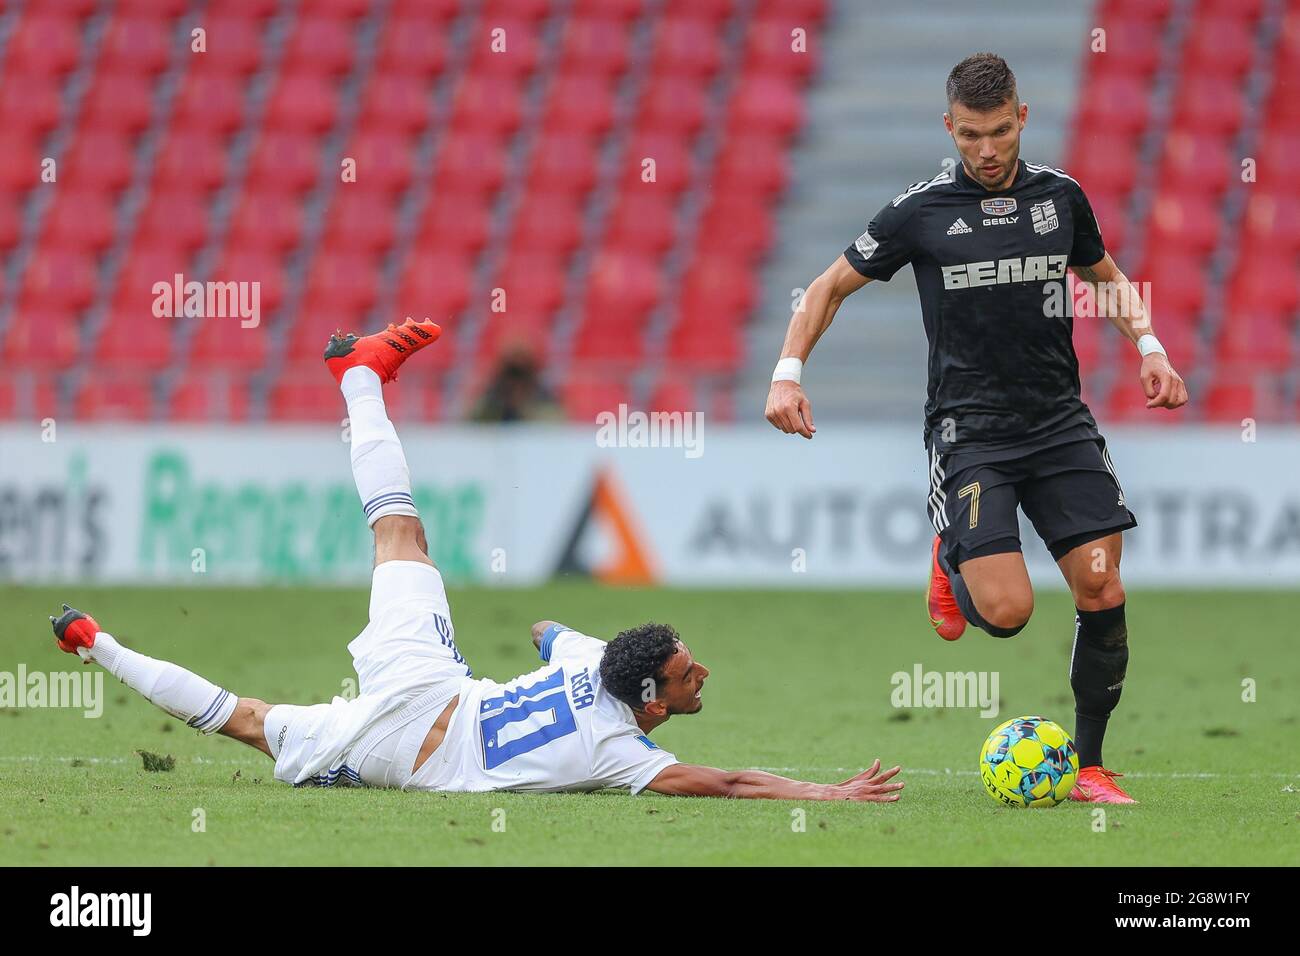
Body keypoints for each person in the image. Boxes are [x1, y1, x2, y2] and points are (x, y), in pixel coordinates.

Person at [50, 318, 904, 803]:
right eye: (685, 672)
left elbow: (544, 628)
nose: (701, 672)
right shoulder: (620, 752)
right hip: (408, 748)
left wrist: (577, 649)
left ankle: (358, 381)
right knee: (246, 719)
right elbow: (729, 782)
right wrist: (830, 794)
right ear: (650, 697)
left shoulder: (593, 669)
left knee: (399, 535)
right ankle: (92, 642)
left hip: (430, 682)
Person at [764, 53, 1189, 804]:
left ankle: (1089, 767)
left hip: (1059, 423)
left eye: (997, 132)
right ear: (948, 127)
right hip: (971, 433)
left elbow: (1107, 279)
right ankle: (950, 550)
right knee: (1006, 615)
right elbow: (829, 286)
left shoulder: (1061, 199)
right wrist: (787, 372)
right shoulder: (921, 211)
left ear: (1021, 118)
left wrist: (1151, 349)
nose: (986, 151)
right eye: (969, 136)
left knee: (1100, 583)